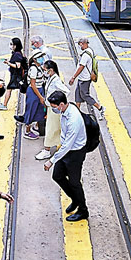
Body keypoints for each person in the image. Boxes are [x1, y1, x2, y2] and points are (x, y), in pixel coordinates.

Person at [44, 91, 89, 222]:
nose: (53, 109)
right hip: (65, 149)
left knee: (75, 182)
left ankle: (83, 210)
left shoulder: (73, 119)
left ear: (62, 104)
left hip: (75, 152)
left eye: (54, 106)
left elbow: (68, 145)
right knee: (57, 176)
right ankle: (75, 199)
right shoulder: (66, 110)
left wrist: (51, 161)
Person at [36, 60, 67, 161]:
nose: (44, 72)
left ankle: (47, 150)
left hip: (54, 109)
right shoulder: (51, 78)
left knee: (50, 129)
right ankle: (58, 146)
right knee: (56, 128)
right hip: (51, 108)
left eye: (45, 70)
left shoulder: (56, 80)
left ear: (51, 70)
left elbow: (66, 91)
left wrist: (58, 103)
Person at [69, 37, 105, 120]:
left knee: (85, 96)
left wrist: (73, 77)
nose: (80, 47)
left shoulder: (85, 55)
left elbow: (81, 67)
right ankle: (77, 113)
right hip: (82, 78)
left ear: (83, 43)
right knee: (78, 94)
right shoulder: (90, 50)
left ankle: (100, 108)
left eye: (80, 44)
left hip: (85, 79)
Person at [17, 51, 46, 140]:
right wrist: (40, 97)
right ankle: (27, 131)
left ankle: (33, 127)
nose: (42, 58)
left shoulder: (39, 67)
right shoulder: (33, 69)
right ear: (34, 59)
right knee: (31, 110)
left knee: (39, 110)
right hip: (34, 92)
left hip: (39, 90)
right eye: (40, 57)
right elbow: (33, 84)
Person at [1, 37, 26, 111]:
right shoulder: (17, 53)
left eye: (12, 44)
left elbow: (17, 66)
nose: (11, 46)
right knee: (22, 89)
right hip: (16, 75)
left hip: (16, 76)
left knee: (10, 89)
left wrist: (8, 63)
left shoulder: (17, 54)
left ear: (15, 45)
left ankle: (4, 105)